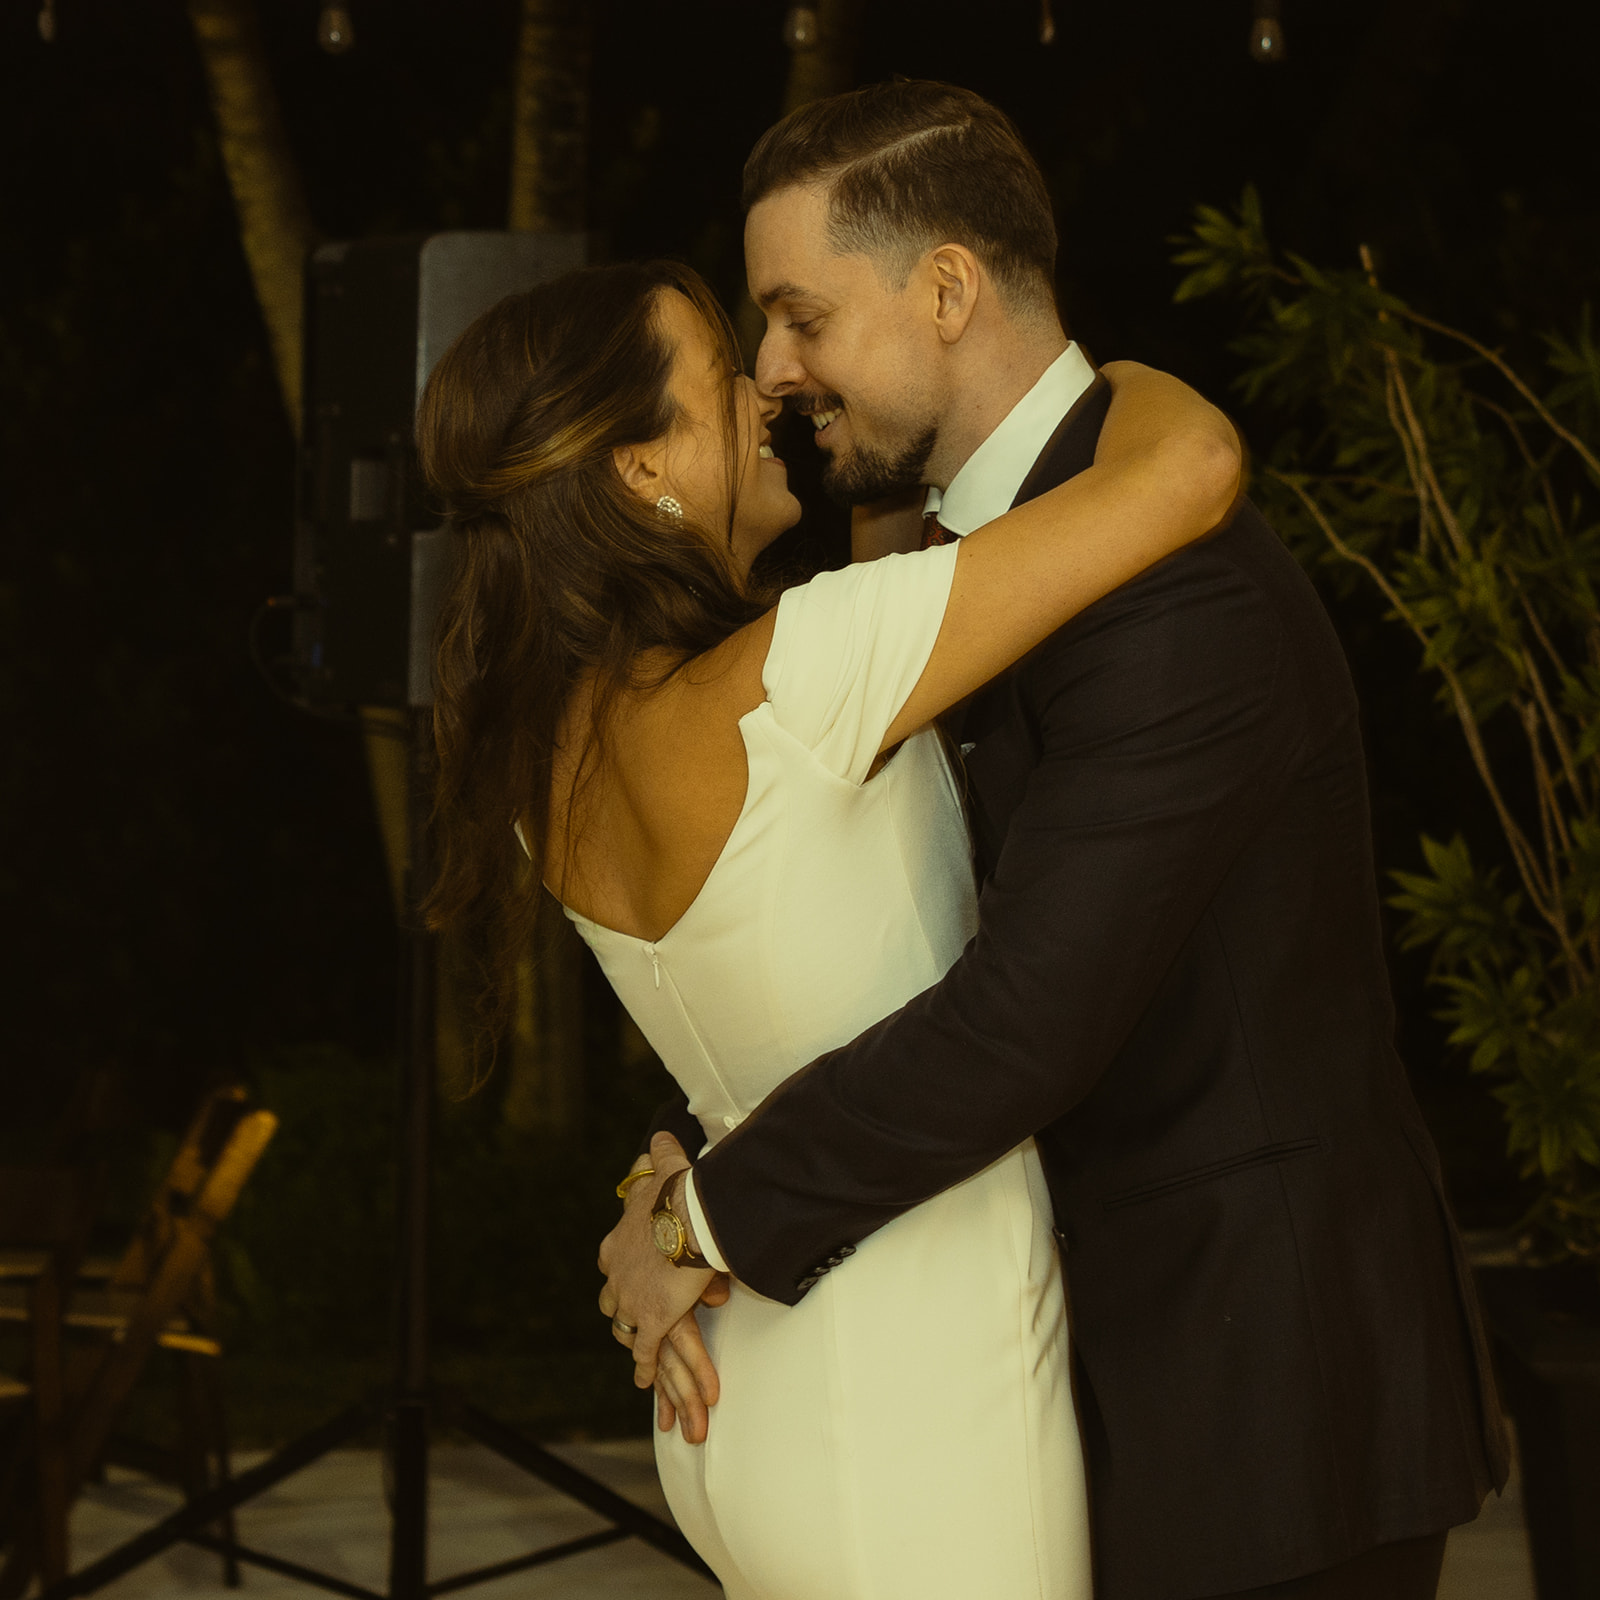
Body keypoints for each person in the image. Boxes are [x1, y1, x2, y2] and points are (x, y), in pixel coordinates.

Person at [597, 80, 1511, 1600]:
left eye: (800, 316)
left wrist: (711, 1217)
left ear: (946, 288)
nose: (773, 374)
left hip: (1263, 1396)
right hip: (1121, 1381)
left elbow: (1024, 1020)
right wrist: (686, 1168)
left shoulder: (1171, 586)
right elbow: (878, 942)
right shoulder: (984, 564)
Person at [416, 245, 1238, 1597]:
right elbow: (1189, 473)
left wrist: (656, 1200)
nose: (760, 393)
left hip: (748, 1395)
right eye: (716, 376)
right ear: (638, 468)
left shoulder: (538, 764)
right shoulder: (799, 676)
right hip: (914, 1409)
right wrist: (1106, 374)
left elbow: (753, 1032)